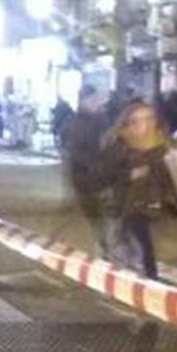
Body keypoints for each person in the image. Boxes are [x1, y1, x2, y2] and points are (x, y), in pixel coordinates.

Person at [101, 101, 177, 279]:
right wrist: (130, 175)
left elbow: (164, 171)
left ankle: (140, 271)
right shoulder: (117, 141)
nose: (144, 124)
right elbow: (104, 173)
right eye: (137, 120)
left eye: (149, 118)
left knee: (139, 239)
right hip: (123, 199)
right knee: (136, 239)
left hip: (148, 200)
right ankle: (147, 276)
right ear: (127, 122)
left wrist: (173, 195)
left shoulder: (159, 142)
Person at [62, 85, 115, 259]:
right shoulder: (76, 123)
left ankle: (106, 250)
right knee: (97, 218)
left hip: (104, 178)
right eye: (93, 99)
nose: (97, 103)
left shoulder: (103, 120)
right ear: (83, 101)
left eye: (97, 99)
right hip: (87, 180)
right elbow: (75, 152)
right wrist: (96, 167)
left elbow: (112, 144)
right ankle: (103, 252)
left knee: (108, 218)